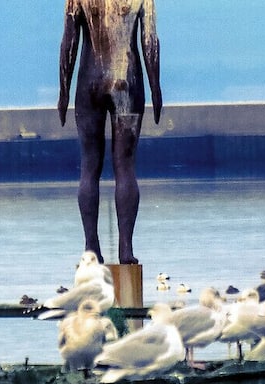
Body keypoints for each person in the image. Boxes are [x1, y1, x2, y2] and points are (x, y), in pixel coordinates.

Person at [59, 0, 162, 265]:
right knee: (125, 166)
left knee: (89, 166)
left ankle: (91, 246)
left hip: (89, 84)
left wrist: (63, 91)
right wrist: (155, 87)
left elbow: (69, 43)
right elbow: (150, 42)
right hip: (127, 81)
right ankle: (125, 249)